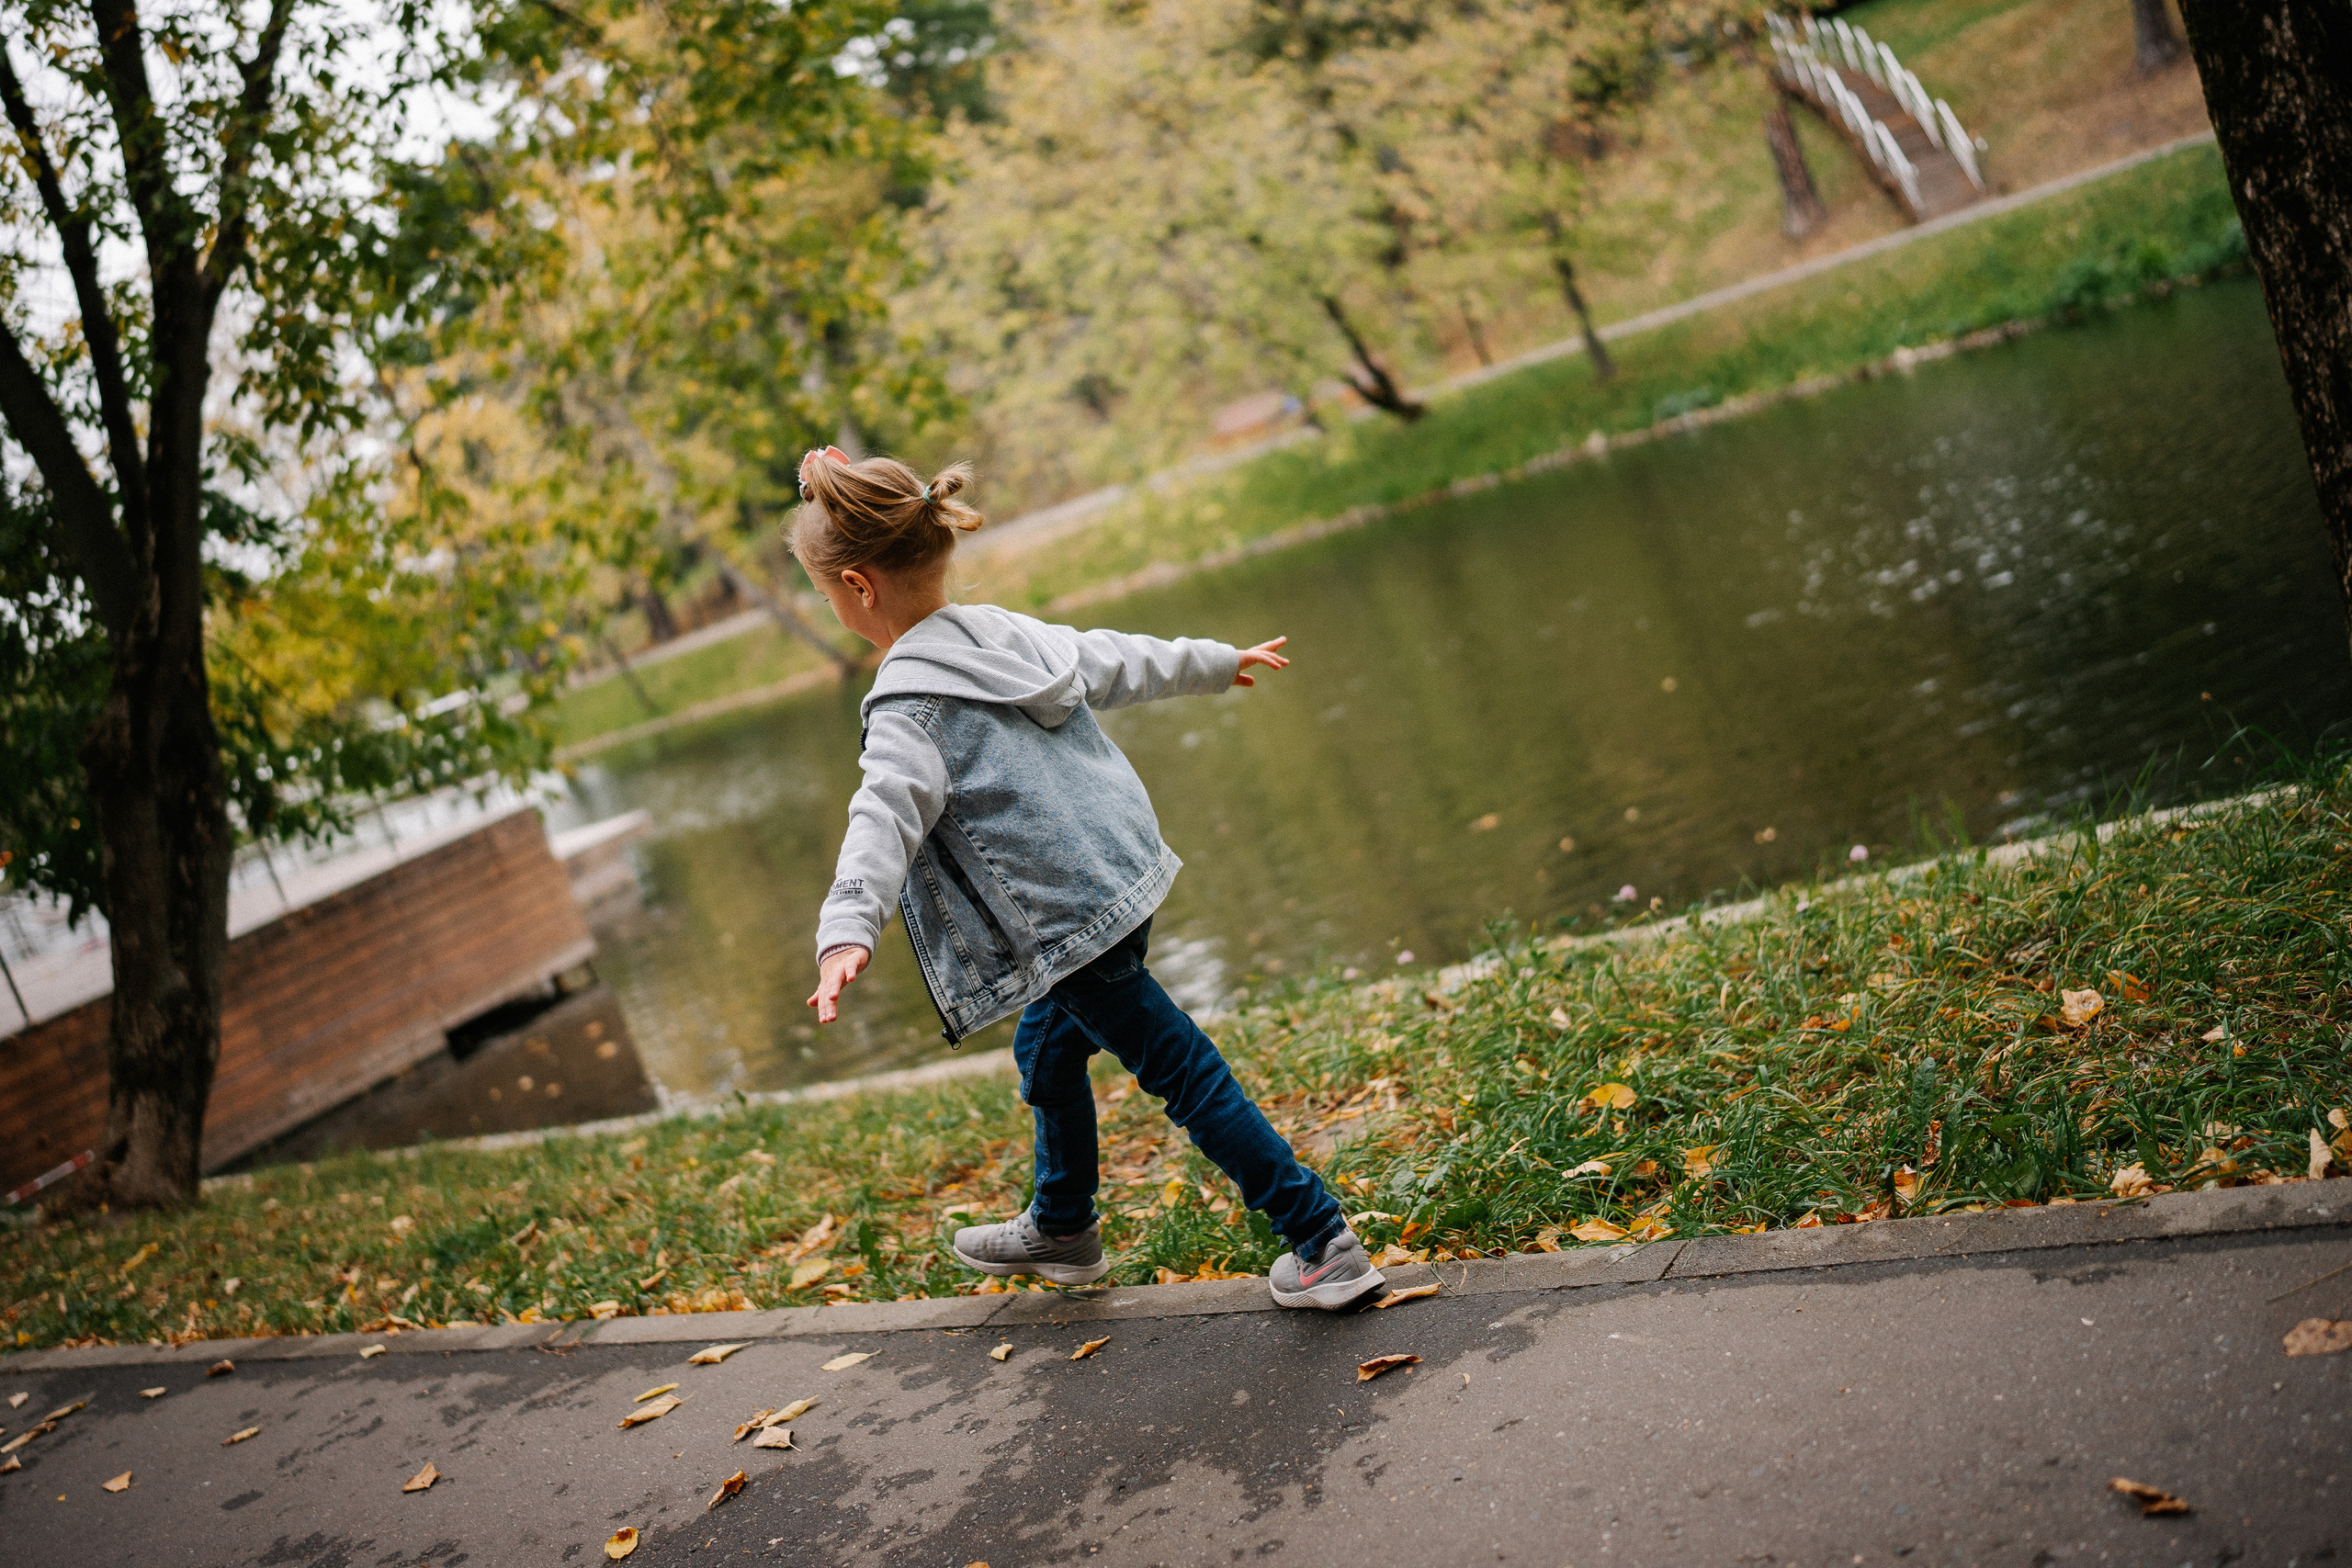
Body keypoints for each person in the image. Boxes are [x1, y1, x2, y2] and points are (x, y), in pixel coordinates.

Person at [792, 446, 1385, 1312]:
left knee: (1182, 1069)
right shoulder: (1003, 632)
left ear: (857, 585)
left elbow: (881, 815)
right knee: (1046, 1048)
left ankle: (1323, 1241)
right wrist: (1212, 660)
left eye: (826, 595)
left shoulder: (906, 706)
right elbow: (1111, 657)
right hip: (1120, 875)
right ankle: (1063, 1224)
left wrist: (846, 927)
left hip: (1064, 921)